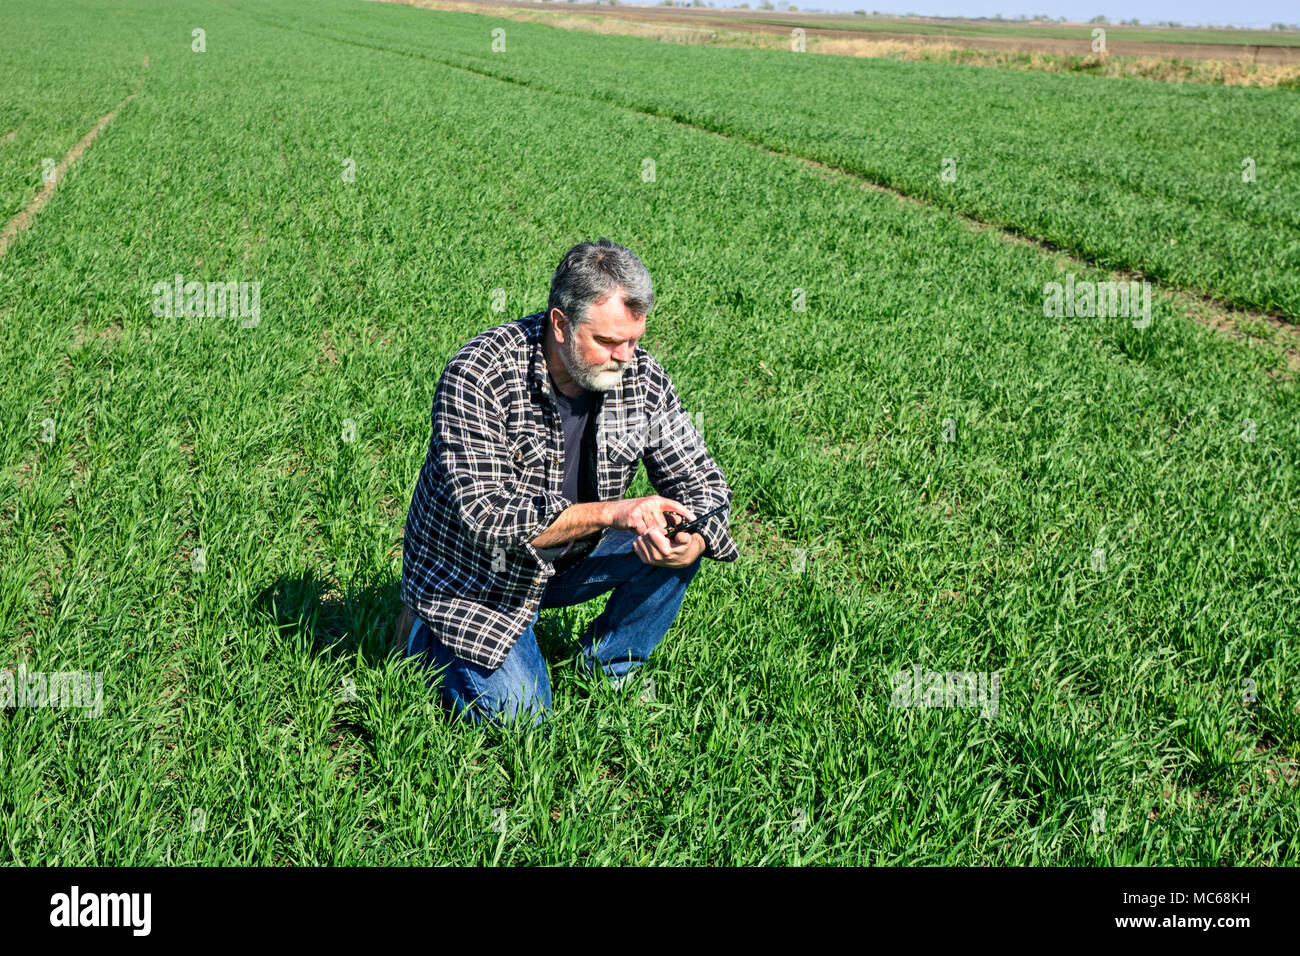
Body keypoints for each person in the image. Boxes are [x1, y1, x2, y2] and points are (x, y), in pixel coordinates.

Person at [397, 238, 738, 727]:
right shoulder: (480, 375)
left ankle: (610, 669)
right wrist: (611, 512)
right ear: (560, 324)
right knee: (523, 720)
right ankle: (422, 631)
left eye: (634, 340)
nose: (625, 357)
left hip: (574, 552)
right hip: (477, 574)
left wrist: (697, 538)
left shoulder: (640, 375)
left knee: (677, 528)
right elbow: (490, 518)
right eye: (607, 342)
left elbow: (702, 481)